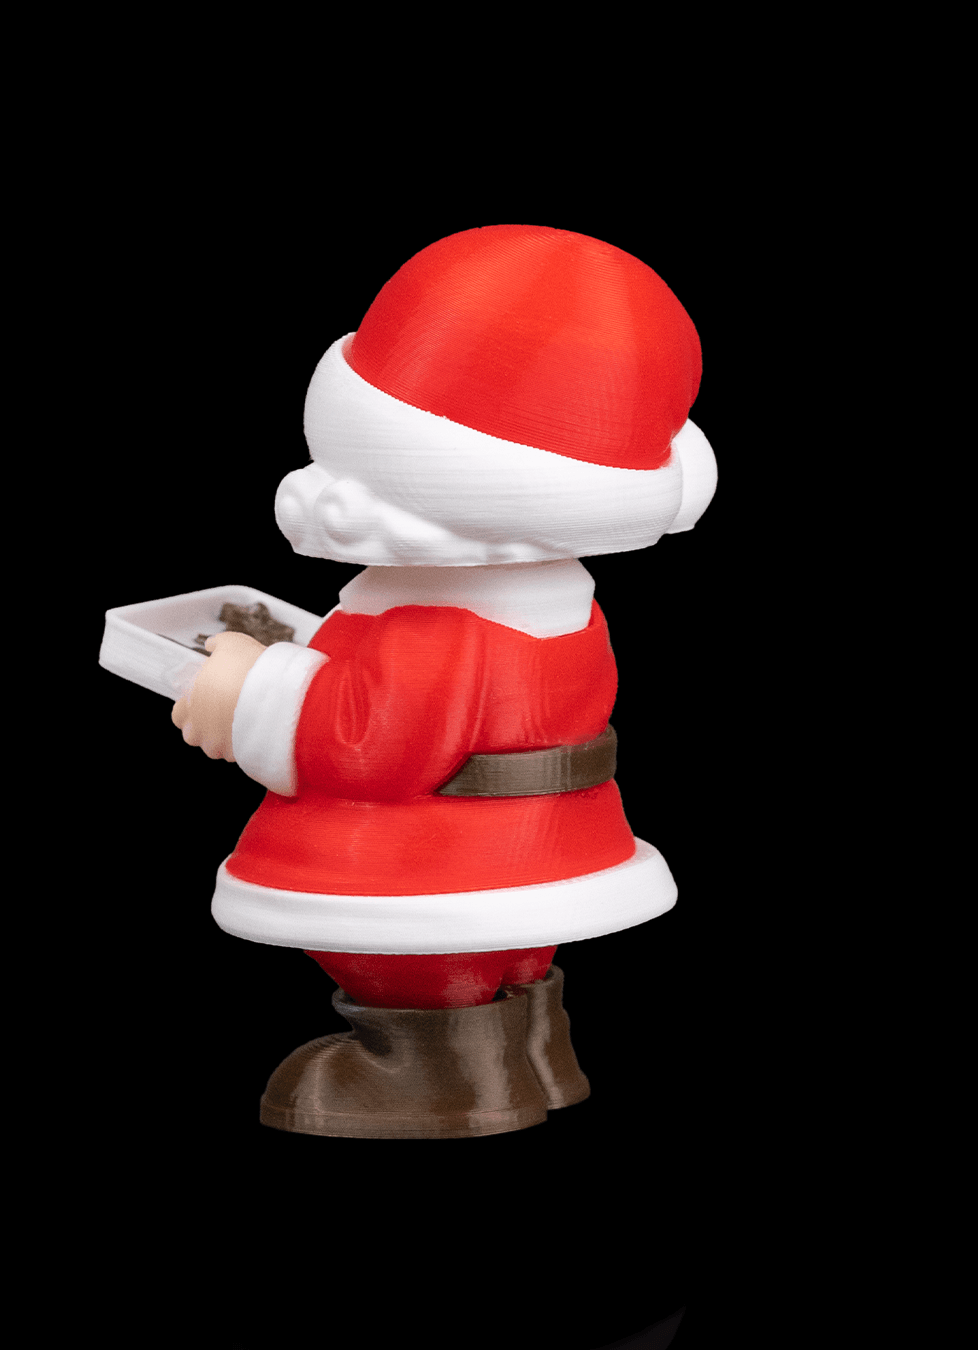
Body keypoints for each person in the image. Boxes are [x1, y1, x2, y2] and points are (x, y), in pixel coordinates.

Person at [170, 225, 718, 1139]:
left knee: (409, 962)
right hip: (537, 846)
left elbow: (369, 742)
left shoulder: (442, 622)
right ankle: (531, 1050)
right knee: (510, 951)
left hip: (438, 861)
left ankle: (431, 1075)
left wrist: (246, 689)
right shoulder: (557, 597)